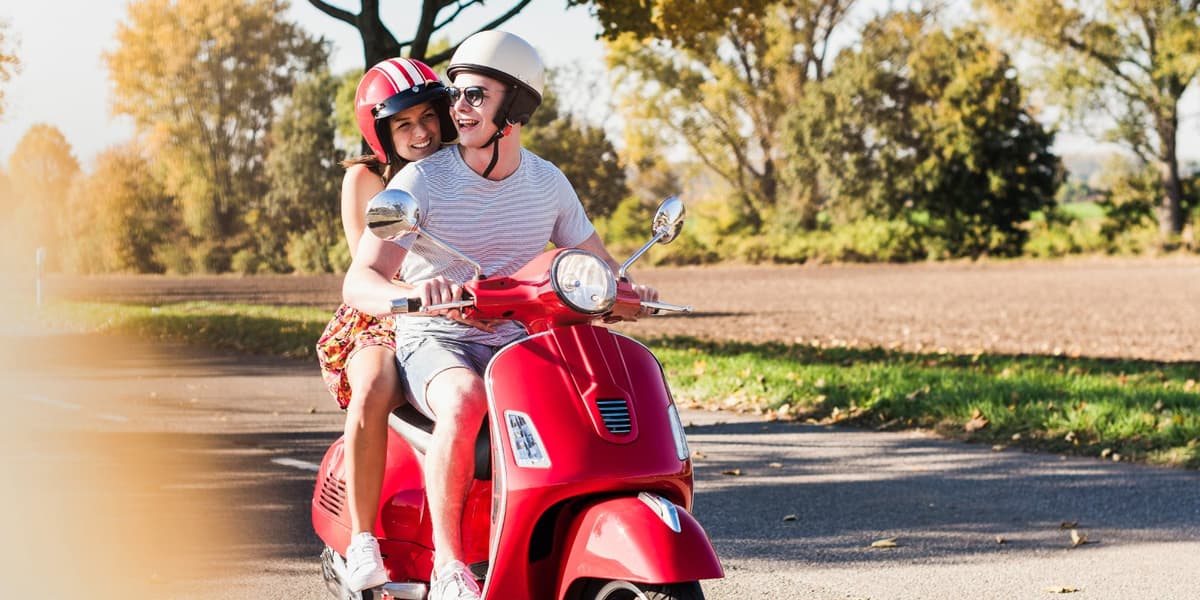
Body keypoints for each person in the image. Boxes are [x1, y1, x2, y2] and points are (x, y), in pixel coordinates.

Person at [342, 31, 658, 600]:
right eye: (456, 95)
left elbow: (600, 263)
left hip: (524, 345)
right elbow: (359, 279)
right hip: (438, 338)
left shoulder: (547, 182)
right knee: (463, 398)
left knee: (597, 400)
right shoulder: (421, 182)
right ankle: (450, 566)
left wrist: (626, 290)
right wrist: (411, 297)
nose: (456, 110)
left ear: (514, 108)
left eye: (475, 97)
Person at [313, 56, 456, 593]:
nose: (420, 132)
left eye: (427, 118)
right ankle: (365, 541)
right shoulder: (365, 177)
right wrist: (416, 295)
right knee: (377, 383)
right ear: (380, 131)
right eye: (403, 124)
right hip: (386, 312)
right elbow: (366, 265)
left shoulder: (457, 165)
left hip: (454, 308)